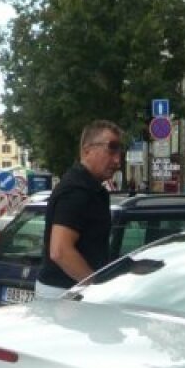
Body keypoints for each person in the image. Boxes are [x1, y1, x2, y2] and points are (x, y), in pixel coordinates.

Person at [35, 120, 124, 299]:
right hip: (66, 293)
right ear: (87, 150)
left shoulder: (92, 188)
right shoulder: (76, 189)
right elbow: (60, 251)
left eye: (119, 153)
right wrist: (97, 287)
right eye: (111, 150)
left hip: (70, 291)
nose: (117, 161)